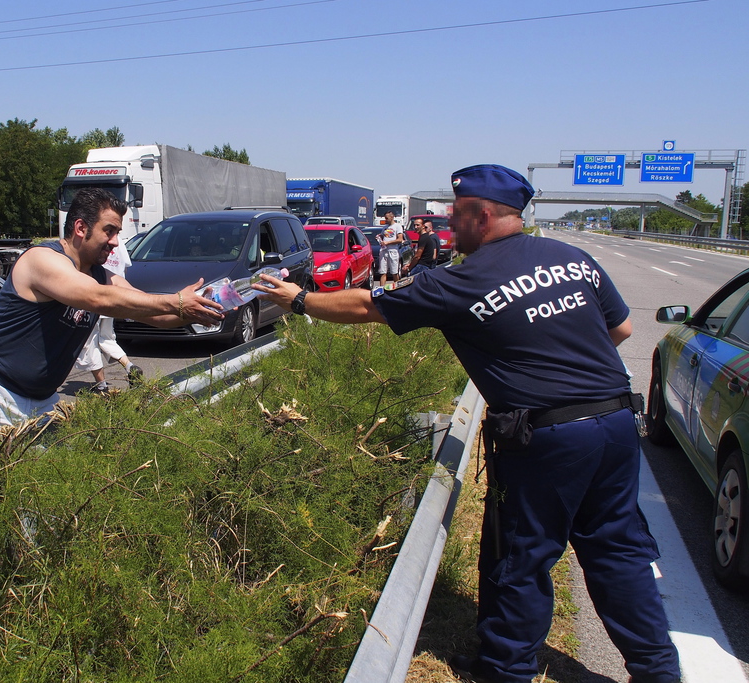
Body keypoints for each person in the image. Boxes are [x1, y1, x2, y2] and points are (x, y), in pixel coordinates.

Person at [254, 164, 680, 683]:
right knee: (618, 547)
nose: (447, 224)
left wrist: (297, 300)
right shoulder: (573, 258)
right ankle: (658, 672)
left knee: (522, 556)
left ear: (482, 215)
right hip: (615, 422)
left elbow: (369, 303)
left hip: (546, 437)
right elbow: (621, 328)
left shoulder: (460, 280)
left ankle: (505, 671)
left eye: (455, 214)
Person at [0, 187, 223, 452]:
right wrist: (177, 300)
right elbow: (95, 298)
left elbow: (154, 313)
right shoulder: (42, 260)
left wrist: (201, 309)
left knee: (33, 498)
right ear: (81, 227)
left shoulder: (98, 274)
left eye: (118, 233)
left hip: (39, 401)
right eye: (109, 231)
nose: (115, 242)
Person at [74, 240, 144, 394]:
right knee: (107, 338)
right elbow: (124, 270)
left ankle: (101, 385)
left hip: (95, 298)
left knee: (89, 342)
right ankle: (129, 366)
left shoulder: (92, 245)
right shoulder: (120, 245)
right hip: (113, 299)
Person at [375, 211, 405, 288]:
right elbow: (383, 236)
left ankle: (398, 288)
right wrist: (379, 237)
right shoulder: (385, 227)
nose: (385, 220)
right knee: (382, 272)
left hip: (393, 251)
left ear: (392, 217)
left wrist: (388, 243)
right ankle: (381, 289)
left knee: (394, 272)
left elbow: (400, 239)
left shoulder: (397, 226)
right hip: (384, 251)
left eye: (387, 218)